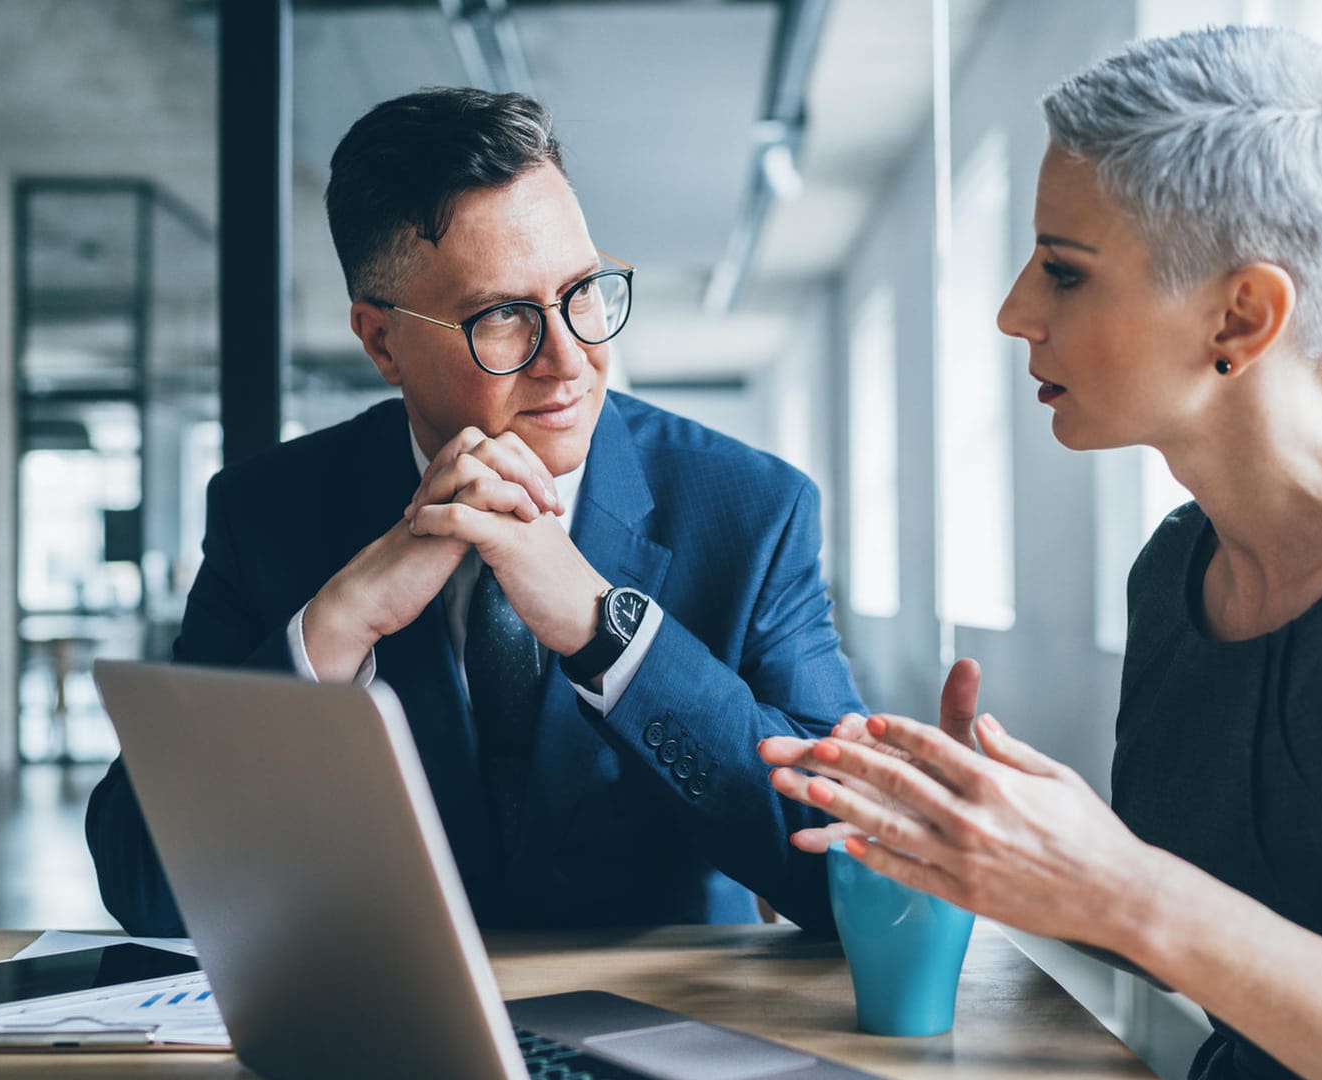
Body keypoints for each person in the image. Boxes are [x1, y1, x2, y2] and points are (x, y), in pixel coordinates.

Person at [762, 26, 1322, 1080]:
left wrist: (1119, 888)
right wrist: (981, 834)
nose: (1013, 313)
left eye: (1064, 273)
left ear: (1244, 313)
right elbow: (1220, 930)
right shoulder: (1180, 568)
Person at [89, 88, 863, 938]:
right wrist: (336, 628)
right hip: (388, 1035)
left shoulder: (753, 510)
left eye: (584, 290)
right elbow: (144, 884)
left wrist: (611, 635)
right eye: (503, 317)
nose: (571, 361)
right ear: (381, 342)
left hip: (668, 1036)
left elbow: (845, 870)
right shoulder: (268, 512)